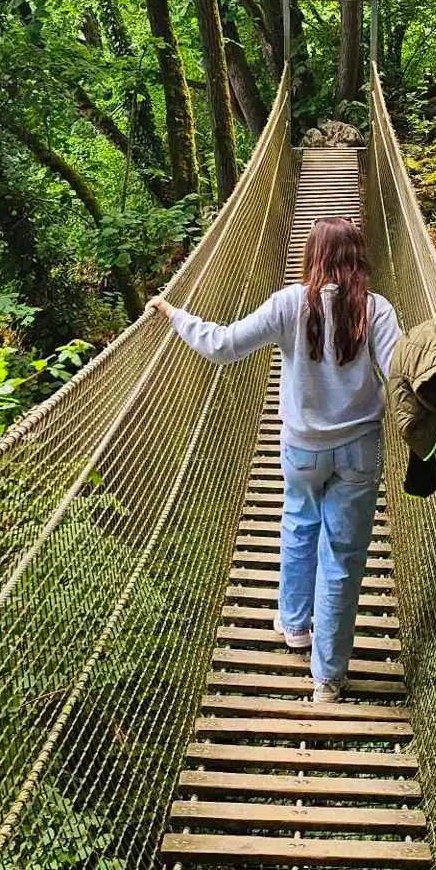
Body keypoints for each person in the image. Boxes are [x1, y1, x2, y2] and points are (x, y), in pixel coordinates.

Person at [148, 216, 402, 704]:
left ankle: (294, 625)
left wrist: (174, 313)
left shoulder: (289, 304)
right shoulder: (376, 309)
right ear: (358, 258)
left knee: (299, 524)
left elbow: (222, 346)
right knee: (343, 559)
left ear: (313, 256)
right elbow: (400, 370)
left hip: (301, 447)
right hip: (359, 448)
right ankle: (327, 677)